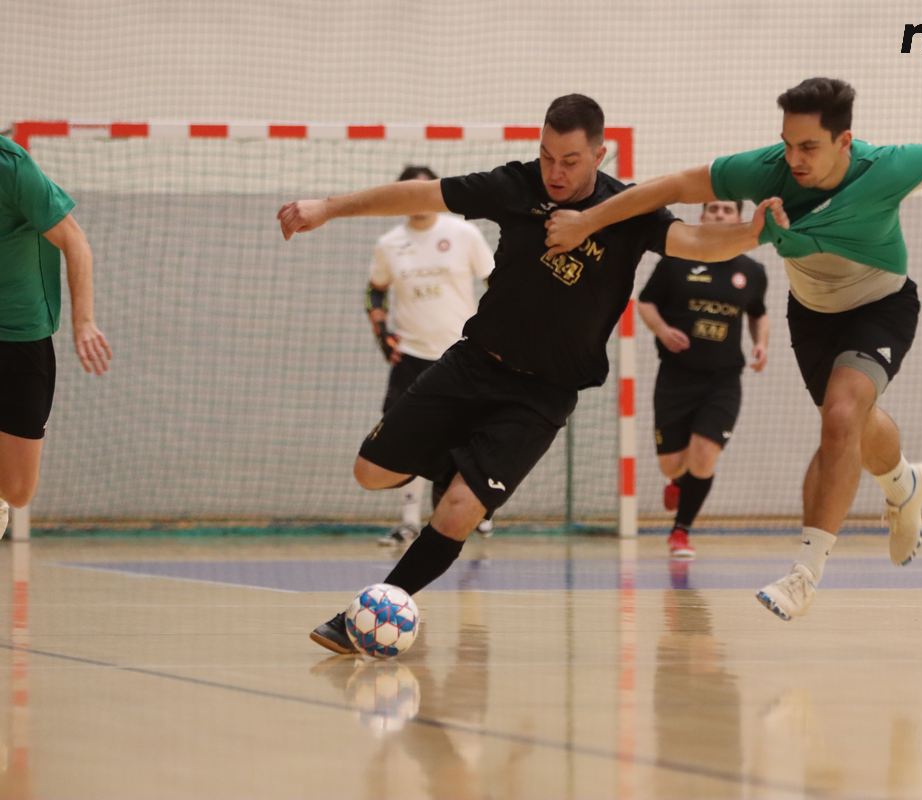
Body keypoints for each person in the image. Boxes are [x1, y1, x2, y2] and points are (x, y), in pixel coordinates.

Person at [544, 77, 922, 621]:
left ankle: (804, 574)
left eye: (810, 146)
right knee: (852, 425)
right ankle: (905, 483)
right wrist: (587, 222)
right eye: (789, 144)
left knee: (840, 415)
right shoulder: (766, 168)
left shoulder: (888, 167)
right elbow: (669, 188)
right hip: (812, 316)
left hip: (880, 305)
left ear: (844, 141)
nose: (795, 159)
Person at [278, 94, 786, 654]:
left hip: (540, 397)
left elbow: (693, 242)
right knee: (370, 473)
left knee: (459, 510)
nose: (555, 172)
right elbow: (423, 194)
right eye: (546, 156)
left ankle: (370, 612)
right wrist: (328, 206)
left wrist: (754, 232)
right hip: (473, 365)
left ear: (600, 152)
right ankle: (454, 464)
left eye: (570, 160)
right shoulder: (515, 186)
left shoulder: (627, 208)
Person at [365, 164, 496, 545]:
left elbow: (496, 282)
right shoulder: (389, 243)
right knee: (405, 436)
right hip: (411, 355)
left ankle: (477, 511)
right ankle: (408, 521)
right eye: (409, 191)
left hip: (462, 354)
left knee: (470, 436)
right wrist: (381, 333)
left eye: (425, 190)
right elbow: (374, 292)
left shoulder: (463, 233)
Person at [637, 200, 768, 560]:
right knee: (673, 463)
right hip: (676, 376)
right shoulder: (674, 263)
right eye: (713, 209)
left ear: (738, 218)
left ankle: (681, 530)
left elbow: (758, 313)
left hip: (723, 380)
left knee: (704, 455)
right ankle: (676, 482)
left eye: (727, 210)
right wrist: (662, 331)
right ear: (703, 216)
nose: (720, 215)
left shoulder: (752, 271)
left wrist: (760, 344)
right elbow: (645, 303)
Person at [0, 134, 112, 538]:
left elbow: (75, 240)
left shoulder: (11, 168)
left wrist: (84, 321)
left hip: (20, 334)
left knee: (17, 489)